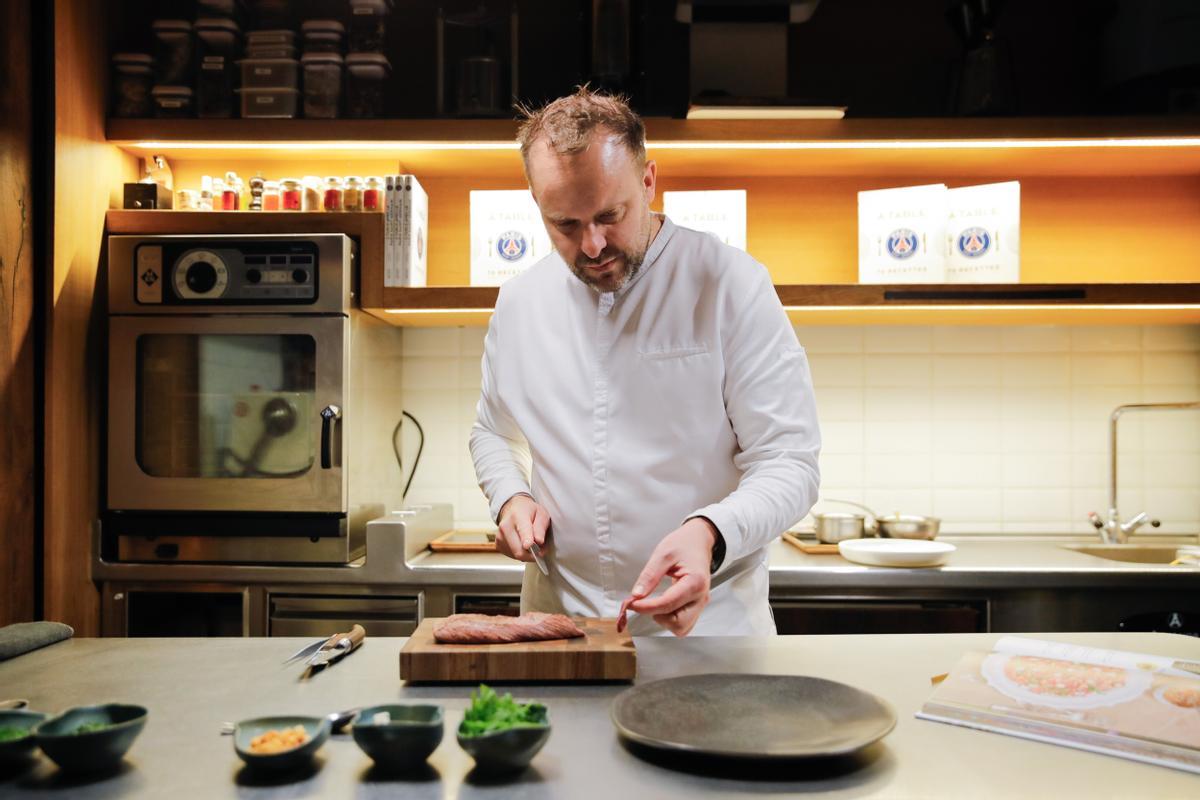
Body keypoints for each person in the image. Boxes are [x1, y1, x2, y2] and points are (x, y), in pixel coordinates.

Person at [469, 87, 820, 636]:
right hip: (564, 628)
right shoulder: (519, 303)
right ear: (536, 202)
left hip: (711, 633)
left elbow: (791, 462)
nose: (591, 245)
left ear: (649, 181)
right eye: (565, 224)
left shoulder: (730, 283)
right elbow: (492, 431)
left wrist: (710, 530)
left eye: (611, 214)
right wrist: (508, 496)